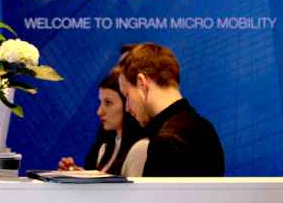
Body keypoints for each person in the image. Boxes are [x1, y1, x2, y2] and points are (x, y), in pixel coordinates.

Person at [118, 42, 225, 176]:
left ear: (141, 83)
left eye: (127, 95)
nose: (127, 108)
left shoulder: (165, 144)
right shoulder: (206, 128)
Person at [59, 67, 149, 176]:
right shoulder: (104, 147)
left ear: (127, 102)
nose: (99, 112)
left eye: (108, 103)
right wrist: (81, 176)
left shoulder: (141, 148)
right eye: (101, 102)